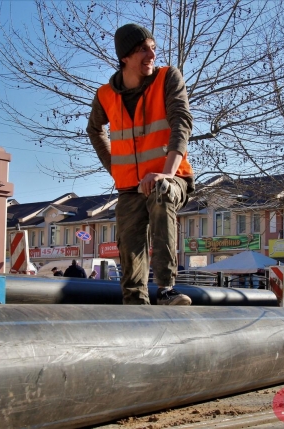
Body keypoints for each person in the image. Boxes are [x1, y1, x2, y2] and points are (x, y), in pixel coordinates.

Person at [87, 23, 195, 305]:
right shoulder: (105, 95)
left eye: (153, 48)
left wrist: (166, 174)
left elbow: (181, 121)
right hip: (130, 187)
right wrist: (115, 167)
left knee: (161, 192)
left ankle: (166, 289)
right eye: (143, 50)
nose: (152, 55)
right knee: (130, 244)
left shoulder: (167, 77)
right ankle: (135, 306)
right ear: (125, 57)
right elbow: (94, 130)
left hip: (172, 178)